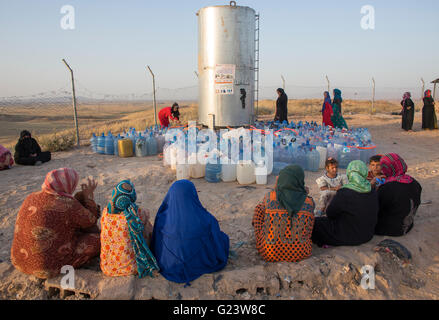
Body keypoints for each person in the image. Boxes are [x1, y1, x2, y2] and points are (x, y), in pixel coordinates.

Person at [11, 168, 100, 279]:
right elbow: (91, 221)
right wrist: (89, 196)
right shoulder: (67, 204)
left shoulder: (31, 197)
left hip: (20, 262)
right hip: (47, 268)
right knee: (99, 239)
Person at [151, 180, 229, 284]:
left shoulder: (162, 219)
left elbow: (156, 243)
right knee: (222, 238)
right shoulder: (206, 220)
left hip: (168, 264)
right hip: (198, 263)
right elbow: (216, 241)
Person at [253, 165, 315, 263]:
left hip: (269, 252)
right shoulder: (309, 202)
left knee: (259, 209)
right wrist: (304, 194)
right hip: (302, 252)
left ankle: (262, 238)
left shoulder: (270, 196)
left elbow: (271, 198)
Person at [100, 180, 159, 278]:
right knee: (146, 227)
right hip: (130, 268)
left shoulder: (105, 212)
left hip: (107, 267)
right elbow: (146, 214)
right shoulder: (135, 214)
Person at [311, 160, 378, 247]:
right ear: (364, 173)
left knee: (316, 223)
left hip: (348, 236)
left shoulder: (345, 192)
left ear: (349, 173)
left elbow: (330, 213)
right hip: (367, 235)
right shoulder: (372, 190)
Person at [375, 153, 422, 237]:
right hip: (407, 225)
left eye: (383, 167)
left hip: (390, 229)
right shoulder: (414, 182)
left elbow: (376, 207)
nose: (382, 170)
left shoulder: (388, 188)